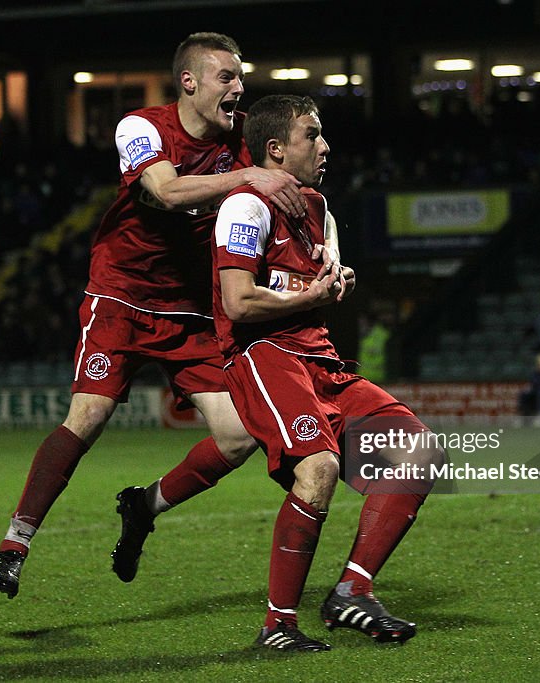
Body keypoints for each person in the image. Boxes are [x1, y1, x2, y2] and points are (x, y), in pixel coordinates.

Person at [0, 33, 331, 598]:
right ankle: (14, 544)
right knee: (90, 415)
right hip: (122, 295)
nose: (238, 88)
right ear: (189, 82)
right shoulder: (141, 126)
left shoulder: (243, 145)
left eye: (241, 77)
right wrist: (249, 176)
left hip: (191, 310)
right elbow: (167, 192)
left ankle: (145, 506)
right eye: (227, 77)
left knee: (239, 437)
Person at [212, 95, 440, 651]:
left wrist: (332, 287)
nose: (324, 145)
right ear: (276, 150)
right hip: (266, 356)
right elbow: (237, 304)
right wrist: (309, 294)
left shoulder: (319, 209)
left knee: (419, 448)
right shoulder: (245, 208)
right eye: (311, 135)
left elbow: (313, 285)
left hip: (322, 361)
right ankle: (277, 626)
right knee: (317, 469)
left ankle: (352, 591)